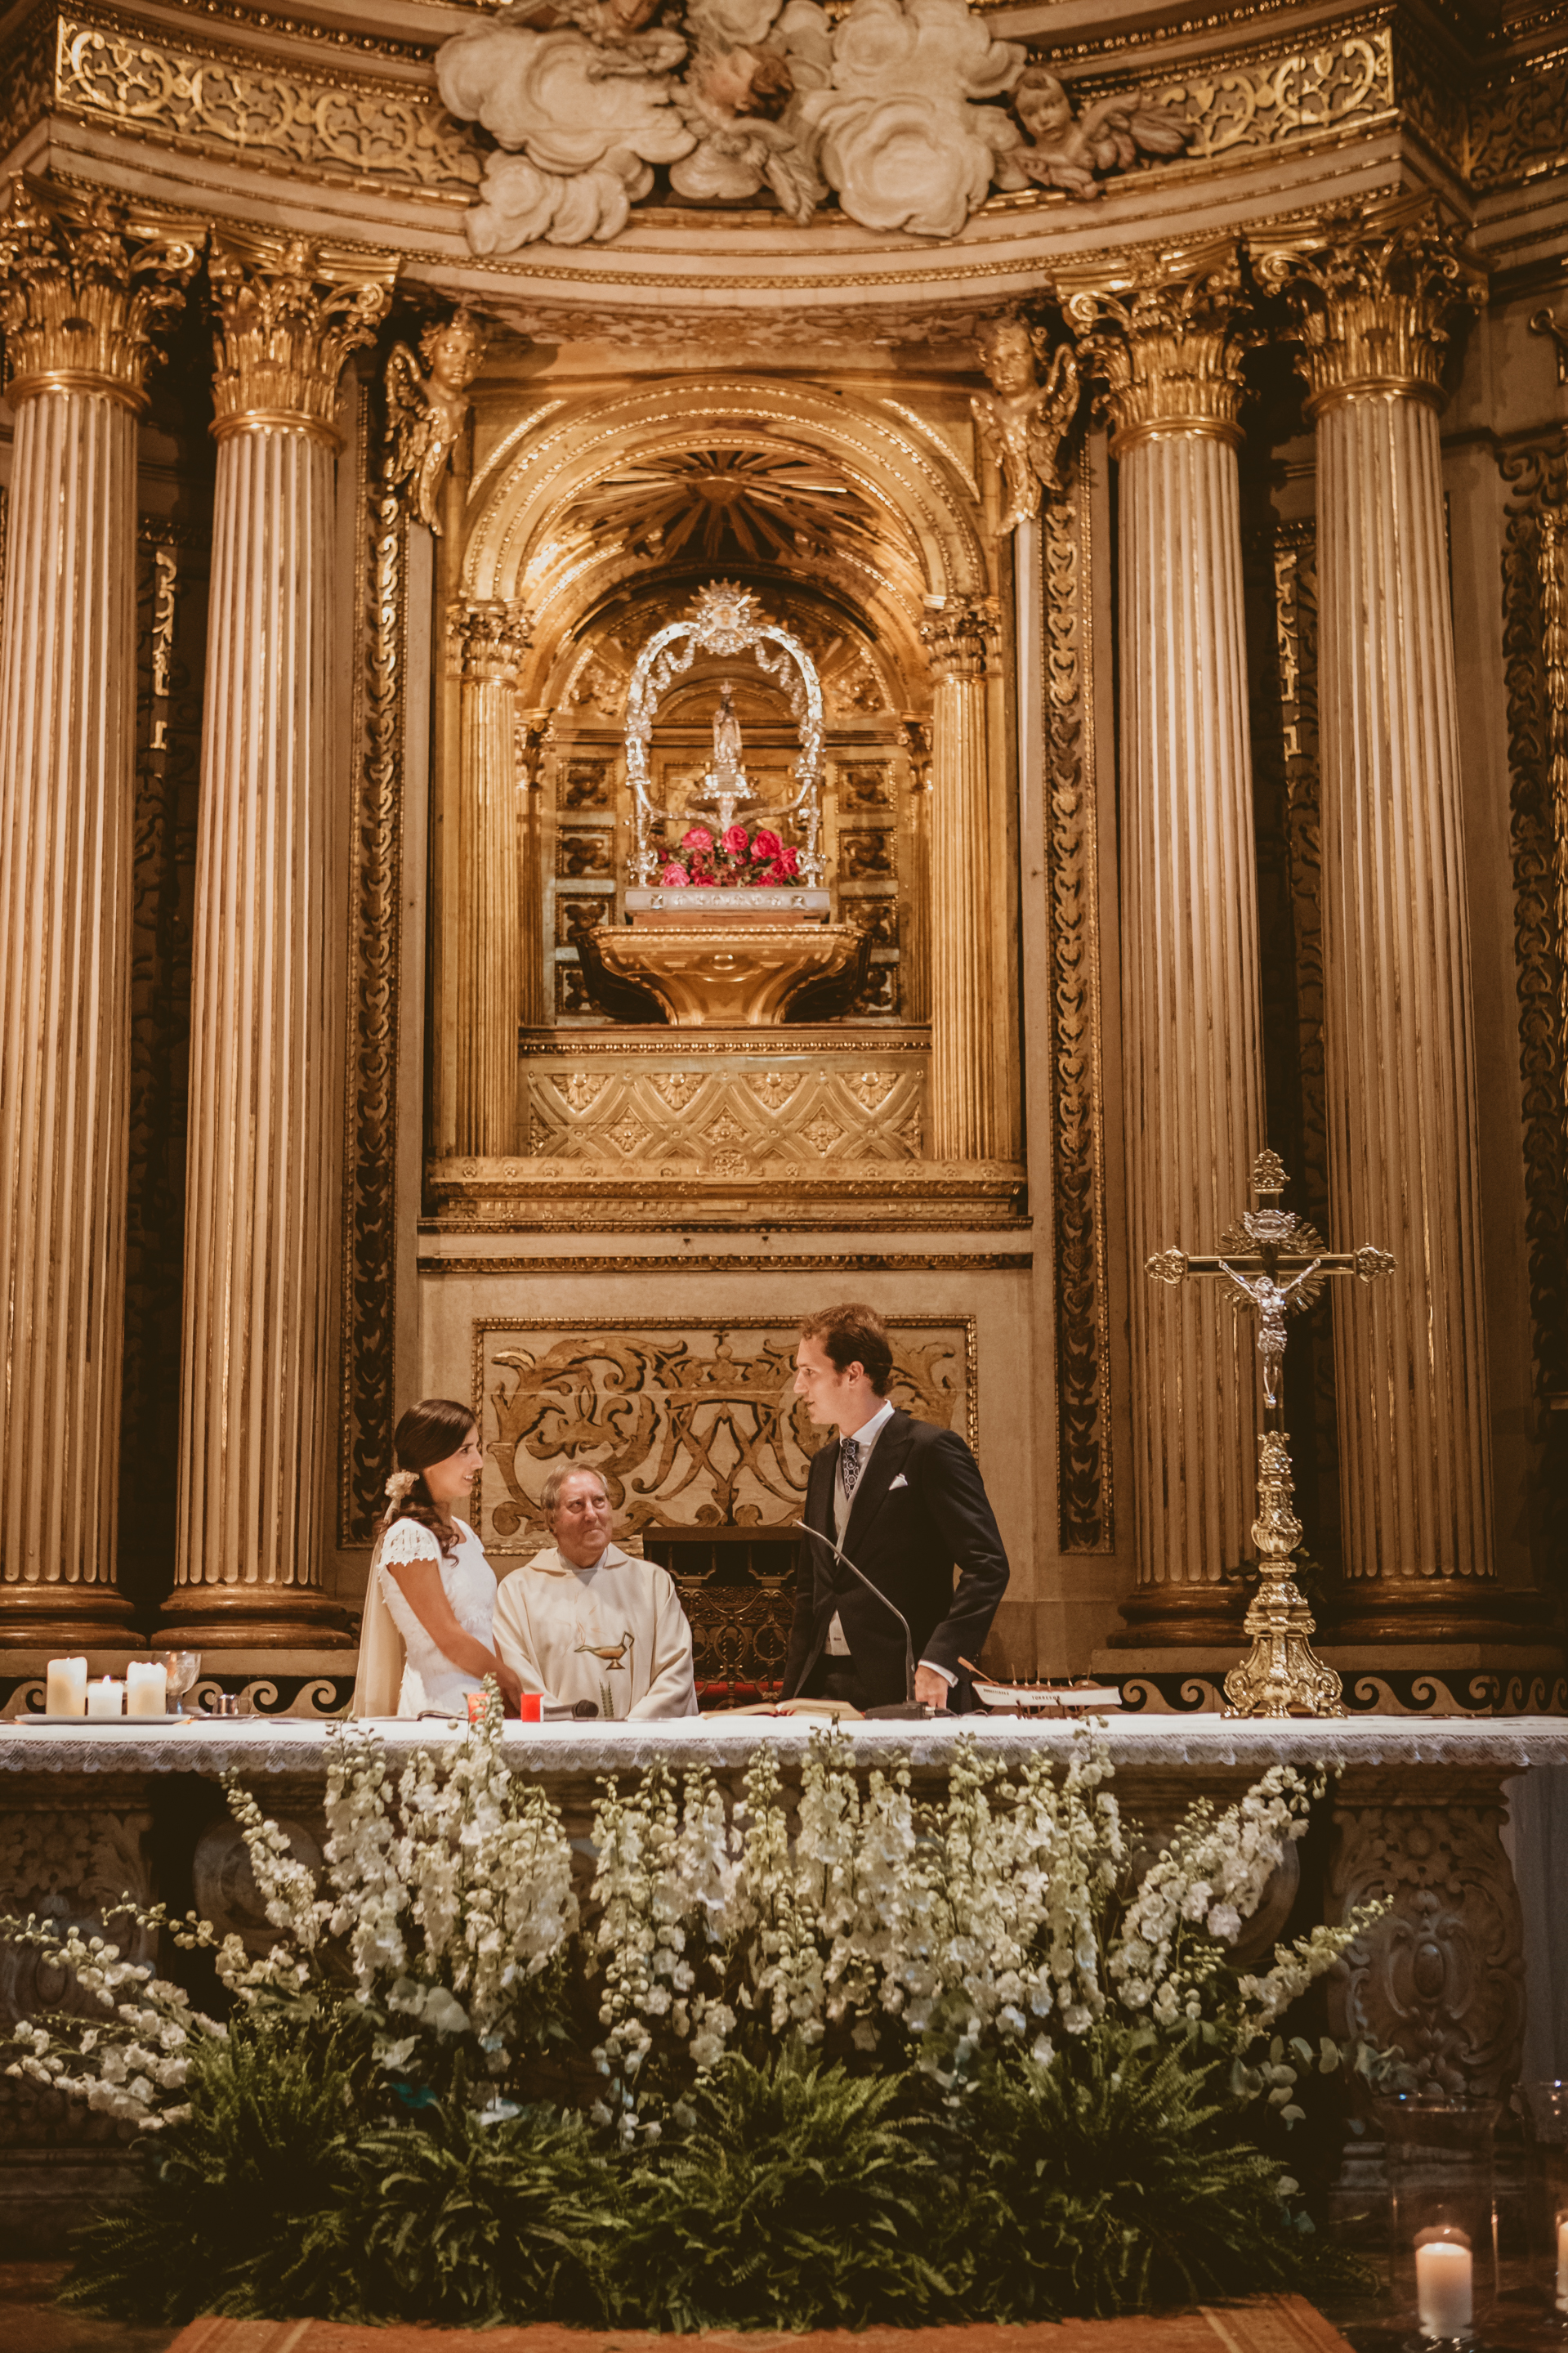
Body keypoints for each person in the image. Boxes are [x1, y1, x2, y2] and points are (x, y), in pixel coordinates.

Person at [782, 1303, 1009, 1714]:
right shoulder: (823, 1463)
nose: (799, 1387)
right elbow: (811, 1591)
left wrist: (942, 1658)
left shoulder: (930, 1450)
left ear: (852, 1373)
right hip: (822, 1684)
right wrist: (791, 1691)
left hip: (907, 1681)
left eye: (809, 1372)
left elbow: (988, 1565)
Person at [351, 1398, 524, 1718]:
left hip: (484, 1702)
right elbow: (447, 1635)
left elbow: (482, 1625)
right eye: (465, 1451)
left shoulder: (465, 1533)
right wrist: (506, 1678)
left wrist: (502, 1692)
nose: (479, 1462)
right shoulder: (409, 1537)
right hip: (440, 1706)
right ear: (430, 1458)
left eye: (477, 1448)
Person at [492, 1465, 698, 1719]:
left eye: (599, 1501)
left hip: (642, 1748)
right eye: (576, 1505)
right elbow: (517, 1676)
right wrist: (568, 1731)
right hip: (556, 1746)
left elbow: (675, 1671)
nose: (591, 1514)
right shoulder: (517, 1591)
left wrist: (630, 1734)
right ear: (551, 1520)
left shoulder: (653, 1583)